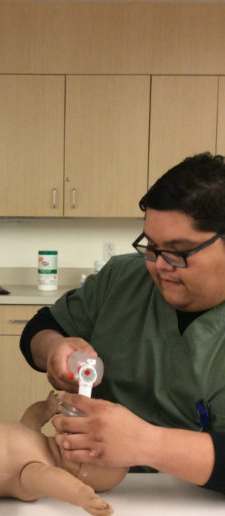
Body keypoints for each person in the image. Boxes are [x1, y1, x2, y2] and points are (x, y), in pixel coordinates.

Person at [20, 152, 225, 495]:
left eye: (178, 250)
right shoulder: (122, 278)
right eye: (152, 246)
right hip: (104, 488)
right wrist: (54, 349)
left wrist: (147, 444)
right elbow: (40, 329)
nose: (159, 265)